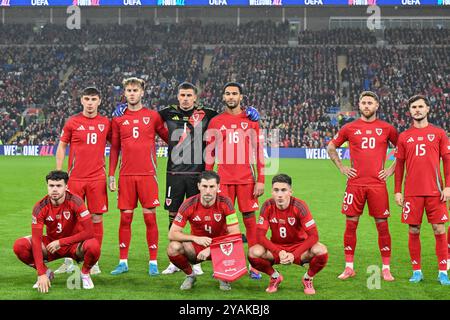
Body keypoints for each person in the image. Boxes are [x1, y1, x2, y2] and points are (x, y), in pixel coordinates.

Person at [114, 81, 260, 276]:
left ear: (195, 98)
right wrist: (124, 108)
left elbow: (231, 115)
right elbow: (145, 118)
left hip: (198, 175)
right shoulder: (165, 113)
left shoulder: (208, 114)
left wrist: (250, 110)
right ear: (178, 96)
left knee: (197, 218)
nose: (185, 99)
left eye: (189, 96)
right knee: (173, 216)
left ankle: (197, 261)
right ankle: (175, 261)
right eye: (182, 95)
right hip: (174, 173)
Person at [327, 91, 398, 281]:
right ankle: (349, 267)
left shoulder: (387, 128)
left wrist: (391, 169)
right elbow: (331, 147)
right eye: (363, 102)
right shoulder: (349, 128)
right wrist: (341, 167)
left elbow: (403, 149)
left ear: (377, 106)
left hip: (377, 185)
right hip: (355, 184)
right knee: (351, 224)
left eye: (370, 103)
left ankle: (386, 268)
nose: (366, 106)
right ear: (359, 105)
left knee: (382, 225)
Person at [109, 77, 168, 276]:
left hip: (147, 175)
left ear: (143, 92)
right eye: (128, 90)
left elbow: (170, 138)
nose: (132, 93)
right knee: (125, 219)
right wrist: (111, 175)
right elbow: (115, 148)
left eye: (135, 90)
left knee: (150, 219)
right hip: (125, 175)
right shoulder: (118, 118)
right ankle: (123, 262)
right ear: (124, 93)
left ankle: (153, 263)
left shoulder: (153, 116)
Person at [205, 82, 265, 280]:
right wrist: (208, 180)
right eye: (227, 94)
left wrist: (261, 180)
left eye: (234, 94)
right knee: (222, 223)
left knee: (250, 223)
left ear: (241, 97)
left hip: (247, 180)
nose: (231, 97)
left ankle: (254, 265)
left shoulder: (251, 121)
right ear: (223, 97)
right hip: (223, 180)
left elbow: (259, 153)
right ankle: (225, 266)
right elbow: (210, 153)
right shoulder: (215, 121)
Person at [394, 94, 450, 285]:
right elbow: (399, 165)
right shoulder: (404, 136)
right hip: (412, 192)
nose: (417, 110)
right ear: (409, 111)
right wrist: (397, 191)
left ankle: (443, 271)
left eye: (420, 107)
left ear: (427, 109)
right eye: (413, 107)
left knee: (439, 229)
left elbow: (448, 161)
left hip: (436, 191)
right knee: (414, 230)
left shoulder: (439, 133)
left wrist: (448, 186)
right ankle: (416, 271)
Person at [12, 170, 100, 292]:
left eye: (59, 186)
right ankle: (47, 273)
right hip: (51, 246)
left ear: (66, 187)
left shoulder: (76, 202)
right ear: (47, 186)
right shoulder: (40, 207)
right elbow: (37, 240)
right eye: (51, 185)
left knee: (94, 245)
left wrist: (61, 242)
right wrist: (41, 273)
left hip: (74, 246)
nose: (54, 189)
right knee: (19, 245)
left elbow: (89, 232)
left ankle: (85, 273)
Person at [54, 86, 110, 276]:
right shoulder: (73, 122)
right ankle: (69, 260)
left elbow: (119, 145)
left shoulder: (106, 123)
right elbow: (61, 146)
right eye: (87, 99)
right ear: (81, 101)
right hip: (75, 178)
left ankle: (94, 261)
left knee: (96, 218)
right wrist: (59, 173)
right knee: (71, 220)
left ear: (99, 101)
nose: (90, 103)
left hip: (97, 179)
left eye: (93, 99)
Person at [248, 174, 328, 295]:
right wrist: (278, 251)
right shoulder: (267, 205)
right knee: (253, 252)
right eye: (276, 190)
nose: (279, 194)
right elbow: (260, 236)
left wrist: (294, 254)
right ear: (272, 192)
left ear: (290, 192)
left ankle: (308, 278)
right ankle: (275, 276)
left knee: (321, 250)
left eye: (283, 190)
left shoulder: (299, 206)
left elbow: (314, 236)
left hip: (299, 249)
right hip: (277, 248)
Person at [167, 171, 241, 291]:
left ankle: (223, 276)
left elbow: (235, 234)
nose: (207, 191)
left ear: (218, 187)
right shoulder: (188, 204)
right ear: (198, 186)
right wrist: (195, 238)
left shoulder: (226, 203)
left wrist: (211, 248)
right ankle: (190, 276)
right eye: (204, 186)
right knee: (173, 247)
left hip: (222, 247)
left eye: (211, 187)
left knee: (234, 243)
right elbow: (172, 234)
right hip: (198, 247)